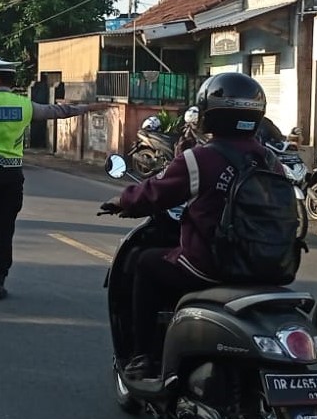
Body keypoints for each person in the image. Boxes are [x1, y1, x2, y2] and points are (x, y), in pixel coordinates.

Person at [100, 71, 285, 381]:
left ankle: (143, 355)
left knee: (143, 263)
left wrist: (123, 200)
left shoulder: (201, 158)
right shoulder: (270, 160)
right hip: (268, 264)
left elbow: (155, 192)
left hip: (211, 265)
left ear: (209, 114)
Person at [0, 54, 111, 300]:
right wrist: (89, 107)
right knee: (4, 231)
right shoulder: (25, 106)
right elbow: (60, 111)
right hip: (11, 178)